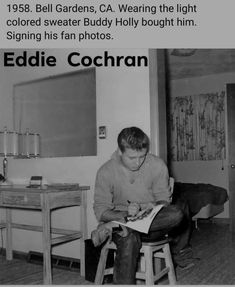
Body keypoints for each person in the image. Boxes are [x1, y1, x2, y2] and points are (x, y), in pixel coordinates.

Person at [93, 127, 192, 284]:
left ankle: (121, 226)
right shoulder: (106, 171)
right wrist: (124, 216)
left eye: (142, 156)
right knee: (129, 237)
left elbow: (164, 201)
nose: (138, 162)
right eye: (132, 158)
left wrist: (148, 206)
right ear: (120, 151)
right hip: (122, 220)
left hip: (152, 224)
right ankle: (124, 226)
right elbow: (101, 211)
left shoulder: (157, 165)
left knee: (178, 213)